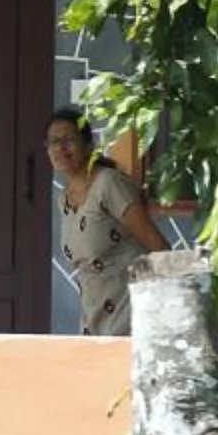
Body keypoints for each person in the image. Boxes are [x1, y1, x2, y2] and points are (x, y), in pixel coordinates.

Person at [47, 105, 168, 338]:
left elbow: (159, 248)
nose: (60, 148)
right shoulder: (64, 198)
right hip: (94, 317)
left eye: (68, 139)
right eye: (53, 141)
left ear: (88, 145)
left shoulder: (109, 184)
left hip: (131, 313)